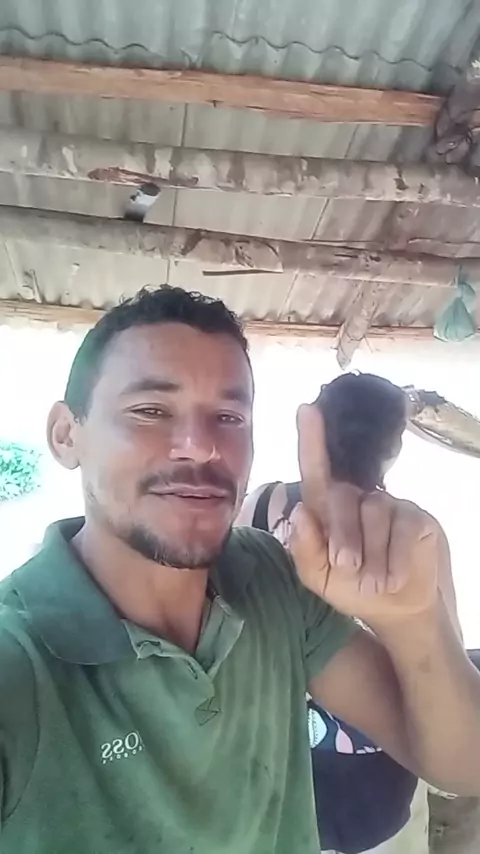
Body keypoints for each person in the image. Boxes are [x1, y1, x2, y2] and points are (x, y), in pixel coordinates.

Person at [1, 287, 480, 854]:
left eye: (228, 417)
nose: (199, 448)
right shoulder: (18, 659)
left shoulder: (269, 576)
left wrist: (412, 619)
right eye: (151, 410)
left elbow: (462, 766)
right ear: (66, 434)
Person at [237, 373, 464, 854]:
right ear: (394, 445)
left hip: (273, 775)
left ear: (316, 427)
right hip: (379, 791)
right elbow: (447, 674)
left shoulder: (259, 504)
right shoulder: (414, 536)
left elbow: (232, 621)